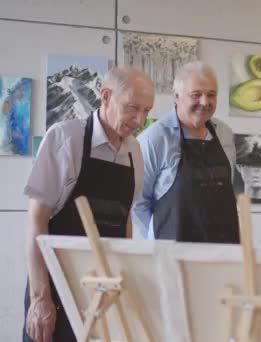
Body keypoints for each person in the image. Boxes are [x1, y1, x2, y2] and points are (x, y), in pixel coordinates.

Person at [22, 66, 154, 342]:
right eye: (132, 108)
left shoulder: (134, 151)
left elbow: (125, 219)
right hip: (57, 292)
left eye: (146, 110)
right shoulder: (64, 139)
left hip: (104, 296)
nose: (140, 119)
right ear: (106, 97)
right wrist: (40, 298)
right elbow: (37, 220)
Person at [133, 61, 240, 243]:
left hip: (223, 251)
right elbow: (138, 204)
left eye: (211, 95)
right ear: (176, 95)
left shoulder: (225, 134)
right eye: (196, 95)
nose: (205, 102)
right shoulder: (154, 139)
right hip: (173, 256)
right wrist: (157, 243)